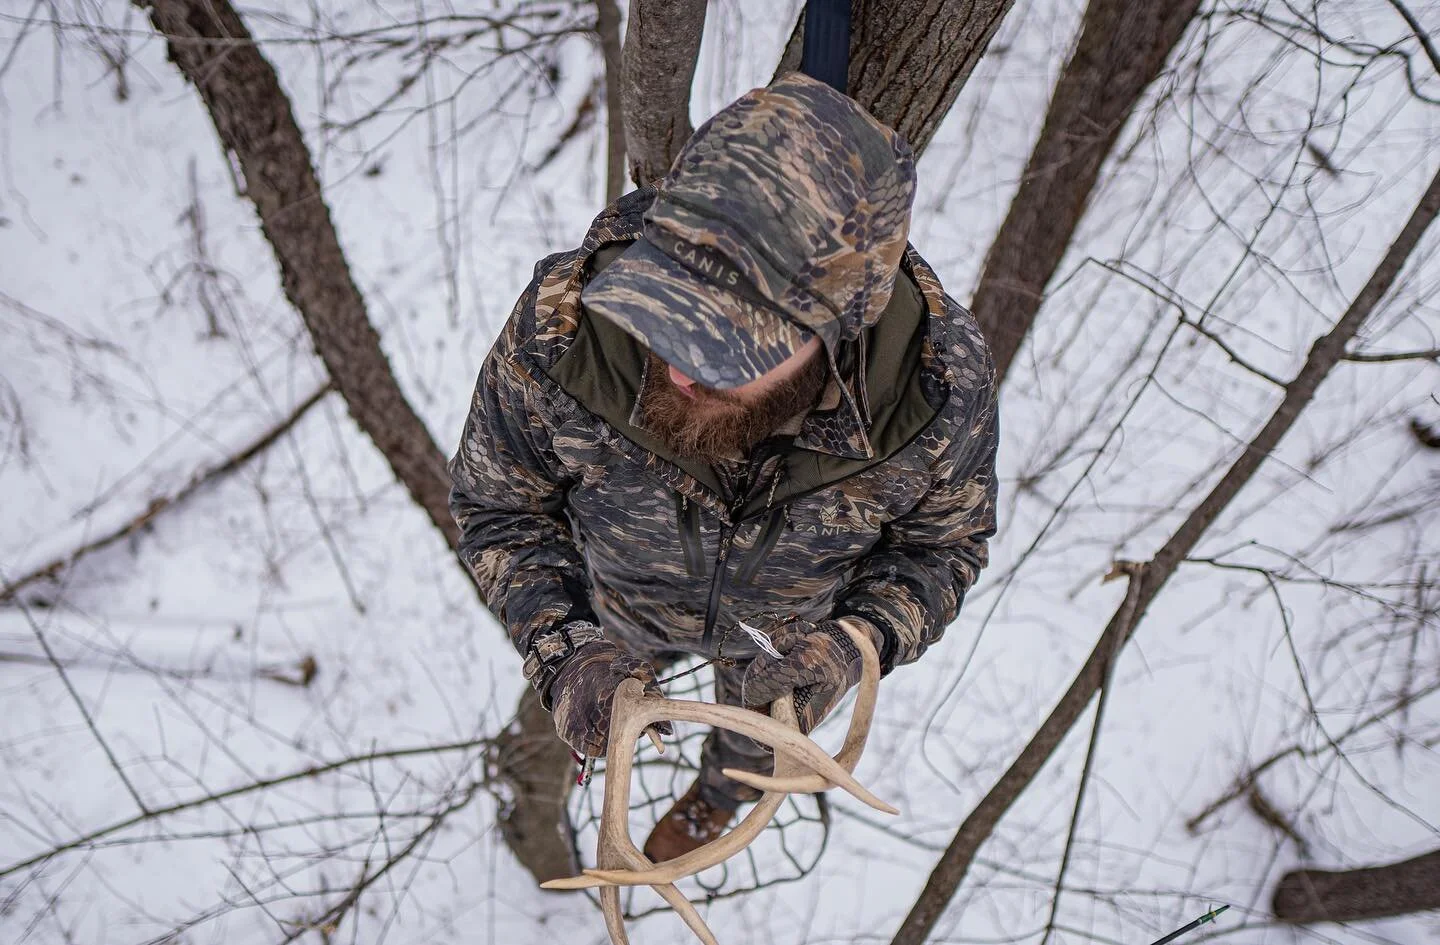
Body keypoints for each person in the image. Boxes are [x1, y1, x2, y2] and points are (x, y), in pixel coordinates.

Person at [448, 72, 998, 863]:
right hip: (617, 609)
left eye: (730, 346)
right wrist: (562, 645)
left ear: (841, 332)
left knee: (759, 745)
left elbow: (942, 545)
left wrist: (858, 641)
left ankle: (721, 790)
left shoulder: (937, 393)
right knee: (589, 702)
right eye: (666, 310)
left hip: (786, 648)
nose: (678, 367)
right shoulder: (563, 331)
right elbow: (500, 508)